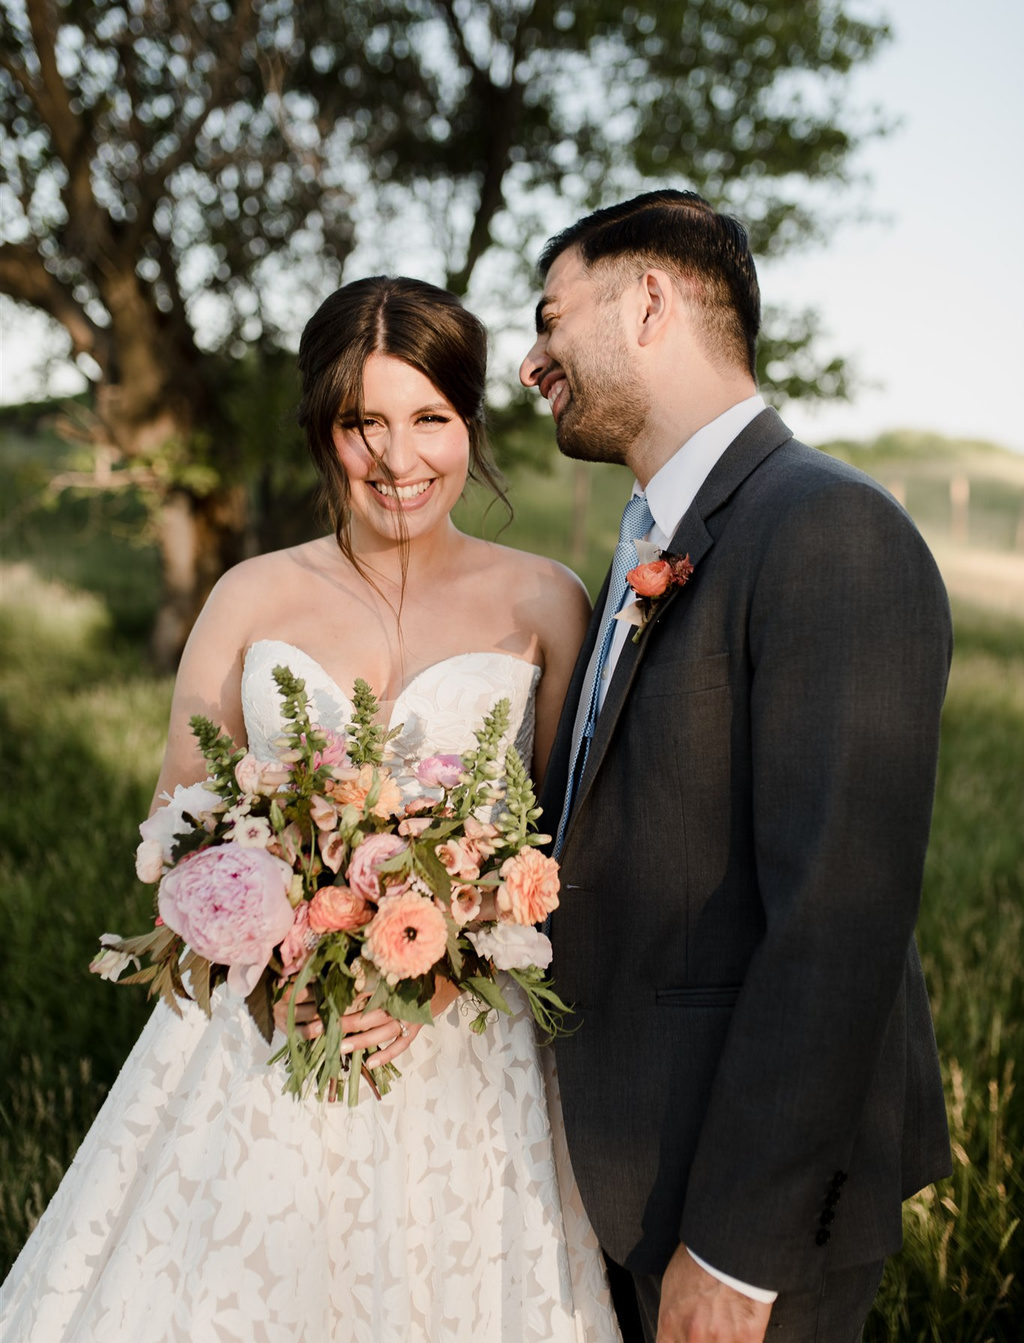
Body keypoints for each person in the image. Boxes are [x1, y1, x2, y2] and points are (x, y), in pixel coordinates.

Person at [0, 277, 623, 1343]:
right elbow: (175, 824)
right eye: (362, 423)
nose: (398, 457)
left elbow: (561, 845)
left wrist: (444, 970)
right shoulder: (251, 593)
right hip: (261, 1026)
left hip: (468, 1049)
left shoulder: (546, 599)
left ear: (470, 420)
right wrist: (273, 957)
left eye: (430, 418)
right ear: (321, 428)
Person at [519, 191, 952, 1343]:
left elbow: (840, 916)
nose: (530, 361)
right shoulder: (649, 538)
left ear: (648, 300)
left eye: (551, 318)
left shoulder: (827, 528)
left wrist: (738, 1249)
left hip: (739, 1196)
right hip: (629, 1167)